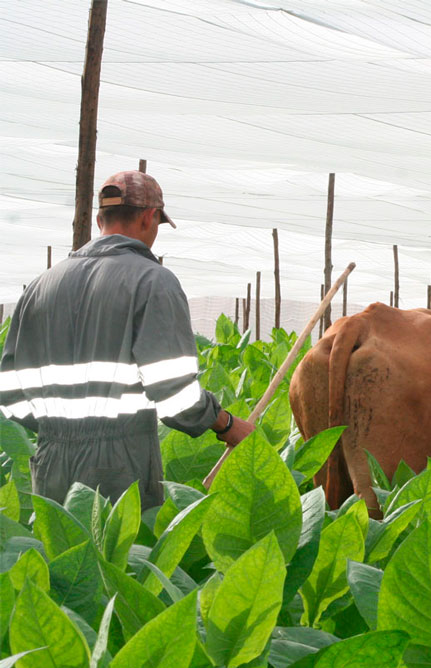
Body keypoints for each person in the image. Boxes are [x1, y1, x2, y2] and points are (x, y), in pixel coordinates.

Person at [0, 171, 254, 508]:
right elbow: (174, 394)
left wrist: (59, 431)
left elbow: (10, 393)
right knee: (124, 544)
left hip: (51, 463)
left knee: (63, 544)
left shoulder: (40, 285)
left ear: (99, 220)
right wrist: (226, 425)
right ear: (150, 217)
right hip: (119, 467)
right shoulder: (153, 281)